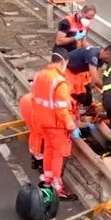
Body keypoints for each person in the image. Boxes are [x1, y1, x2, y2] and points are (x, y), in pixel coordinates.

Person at [34, 49, 80, 200]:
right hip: (56, 125)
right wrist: (71, 126)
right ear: (62, 62)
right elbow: (61, 109)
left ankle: (47, 178)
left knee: (48, 149)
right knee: (58, 154)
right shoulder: (59, 81)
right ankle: (57, 186)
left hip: (42, 121)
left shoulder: (40, 75)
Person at [65, 44, 111, 108]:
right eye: (110, 60)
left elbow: (96, 77)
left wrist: (101, 90)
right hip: (66, 70)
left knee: (86, 98)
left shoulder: (101, 56)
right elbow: (95, 80)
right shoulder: (92, 55)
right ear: (107, 54)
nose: (110, 62)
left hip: (78, 72)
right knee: (70, 98)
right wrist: (109, 89)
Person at [18, 93, 44, 171]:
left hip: (26, 103)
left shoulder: (27, 100)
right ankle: (40, 165)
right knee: (41, 142)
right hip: (41, 140)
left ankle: (35, 162)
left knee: (34, 133)